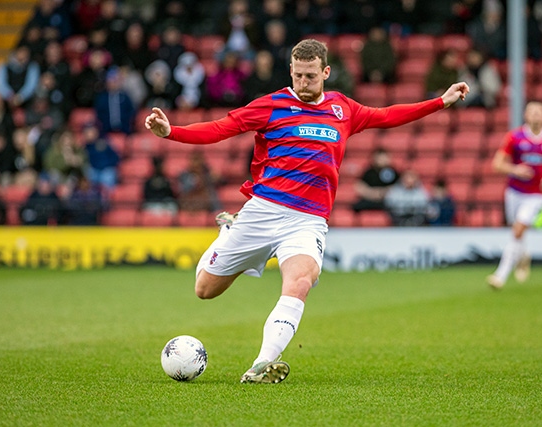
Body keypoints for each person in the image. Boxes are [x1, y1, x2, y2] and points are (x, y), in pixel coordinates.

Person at [145, 39, 469, 383]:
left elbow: (387, 116)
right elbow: (221, 127)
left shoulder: (343, 109)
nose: (304, 82)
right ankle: (228, 232)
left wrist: (440, 102)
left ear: (326, 72)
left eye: (311, 76)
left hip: (308, 221)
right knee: (205, 290)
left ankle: (262, 363)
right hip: (262, 211)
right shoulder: (270, 106)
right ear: (291, 71)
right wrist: (172, 133)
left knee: (301, 281)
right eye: (298, 75)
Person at [486, 101, 542, 290]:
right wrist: (515, 170)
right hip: (514, 192)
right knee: (517, 230)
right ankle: (523, 255)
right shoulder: (514, 137)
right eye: (532, 112)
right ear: (526, 116)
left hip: (536, 194)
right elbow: (497, 164)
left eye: (540, 112)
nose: (536, 115)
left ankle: (500, 275)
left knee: (518, 230)